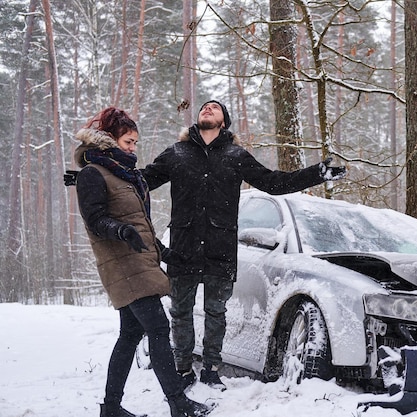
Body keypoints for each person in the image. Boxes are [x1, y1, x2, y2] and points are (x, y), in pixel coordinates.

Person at [141, 100, 346, 391]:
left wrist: (316, 174)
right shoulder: (177, 153)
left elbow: (274, 182)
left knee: (216, 312)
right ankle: (183, 368)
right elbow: (141, 181)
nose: (207, 109)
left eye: (214, 107)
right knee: (180, 312)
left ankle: (211, 369)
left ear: (224, 120)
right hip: (182, 247)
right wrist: (94, 176)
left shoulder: (235, 155)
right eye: (204, 107)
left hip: (220, 248)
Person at [72, 107, 216, 417]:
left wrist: (167, 254)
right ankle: (178, 403)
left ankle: (111, 408)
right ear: (108, 140)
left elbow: (140, 225)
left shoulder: (124, 176)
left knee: (130, 334)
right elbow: (96, 219)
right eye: (127, 142)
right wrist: (120, 231)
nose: (133, 148)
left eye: (135, 142)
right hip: (122, 264)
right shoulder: (92, 174)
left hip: (139, 260)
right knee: (158, 328)